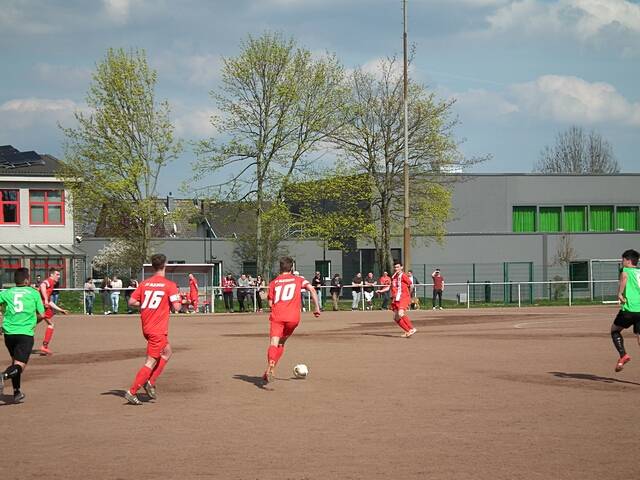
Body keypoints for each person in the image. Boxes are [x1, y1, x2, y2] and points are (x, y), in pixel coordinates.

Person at [124, 253, 182, 405]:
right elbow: (177, 307)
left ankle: (150, 382)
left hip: (147, 327)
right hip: (158, 330)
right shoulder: (169, 285)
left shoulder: (144, 283)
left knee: (168, 351)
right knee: (150, 362)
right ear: (165, 265)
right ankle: (132, 391)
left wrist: (146, 305)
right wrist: (178, 299)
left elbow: (131, 301)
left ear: (152, 265)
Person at [262, 256, 320, 384]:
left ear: (280, 267)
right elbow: (311, 289)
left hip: (277, 317)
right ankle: (270, 369)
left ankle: (271, 364)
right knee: (281, 344)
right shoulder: (299, 280)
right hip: (293, 318)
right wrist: (316, 307)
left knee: (273, 343)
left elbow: (270, 304)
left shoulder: (274, 282)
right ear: (292, 267)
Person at [0, 268, 45, 403]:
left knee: (15, 362)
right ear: (26, 280)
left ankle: (17, 391)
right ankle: (3, 375)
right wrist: (33, 321)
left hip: (9, 333)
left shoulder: (7, 293)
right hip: (25, 334)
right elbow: (42, 314)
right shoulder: (33, 293)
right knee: (20, 366)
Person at [610, 249, 640, 372]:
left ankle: (623, 355)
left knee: (614, 330)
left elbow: (624, 279)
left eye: (623, 259)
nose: (622, 262)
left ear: (628, 260)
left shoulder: (625, 270)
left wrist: (620, 294)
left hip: (629, 309)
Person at [38, 267, 69, 355]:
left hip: (42, 305)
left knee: (34, 323)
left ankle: (44, 346)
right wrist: (45, 300)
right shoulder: (49, 281)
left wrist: (60, 309)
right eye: (57, 274)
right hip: (41, 306)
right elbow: (43, 285)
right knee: (50, 324)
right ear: (52, 275)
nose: (59, 276)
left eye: (59, 274)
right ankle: (44, 346)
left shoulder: (52, 284)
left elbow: (50, 301)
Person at [390, 261, 417, 337]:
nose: (396, 269)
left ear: (401, 267)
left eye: (398, 267)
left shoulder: (403, 275)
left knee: (401, 313)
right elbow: (392, 287)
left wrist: (409, 295)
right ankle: (408, 331)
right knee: (396, 317)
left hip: (403, 297)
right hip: (396, 298)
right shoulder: (394, 277)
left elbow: (411, 285)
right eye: (395, 267)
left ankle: (412, 328)